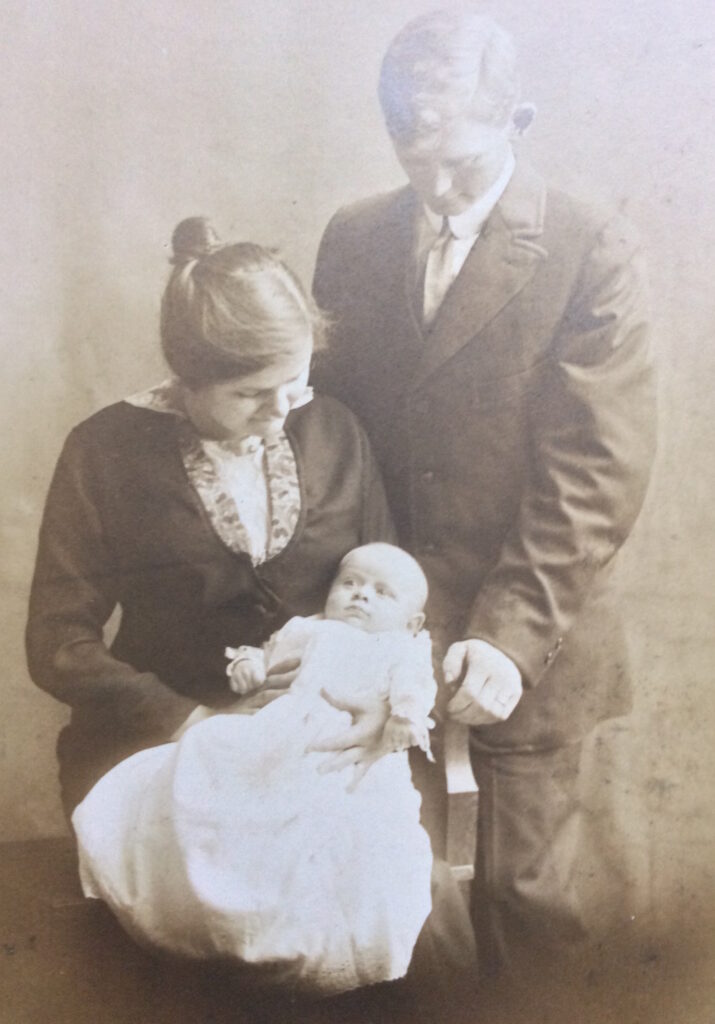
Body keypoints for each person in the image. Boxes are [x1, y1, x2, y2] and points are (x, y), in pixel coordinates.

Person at [312, 8, 657, 980]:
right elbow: (333, 432)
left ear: (518, 121)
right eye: (410, 159)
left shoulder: (592, 247)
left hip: (532, 632)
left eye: (458, 164)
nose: (435, 190)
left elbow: (594, 474)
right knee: (388, 907)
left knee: (528, 911)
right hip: (383, 638)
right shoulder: (352, 237)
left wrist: (505, 636)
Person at [25, 216, 395, 820]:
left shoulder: (335, 431)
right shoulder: (104, 451)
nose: (280, 412)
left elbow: (392, 599)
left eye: (295, 383)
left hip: (315, 744)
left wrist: (378, 702)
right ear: (187, 378)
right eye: (250, 395)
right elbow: (57, 643)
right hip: (158, 751)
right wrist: (190, 720)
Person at [72, 543, 438, 995]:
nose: (361, 596)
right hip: (278, 737)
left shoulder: (402, 647)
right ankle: (223, 899)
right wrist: (249, 666)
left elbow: (416, 687)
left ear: (412, 621)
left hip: (350, 754)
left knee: (347, 837)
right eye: (351, 583)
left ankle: (309, 937)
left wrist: (403, 716)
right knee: (211, 753)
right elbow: (266, 654)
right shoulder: (310, 628)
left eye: (382, 592)